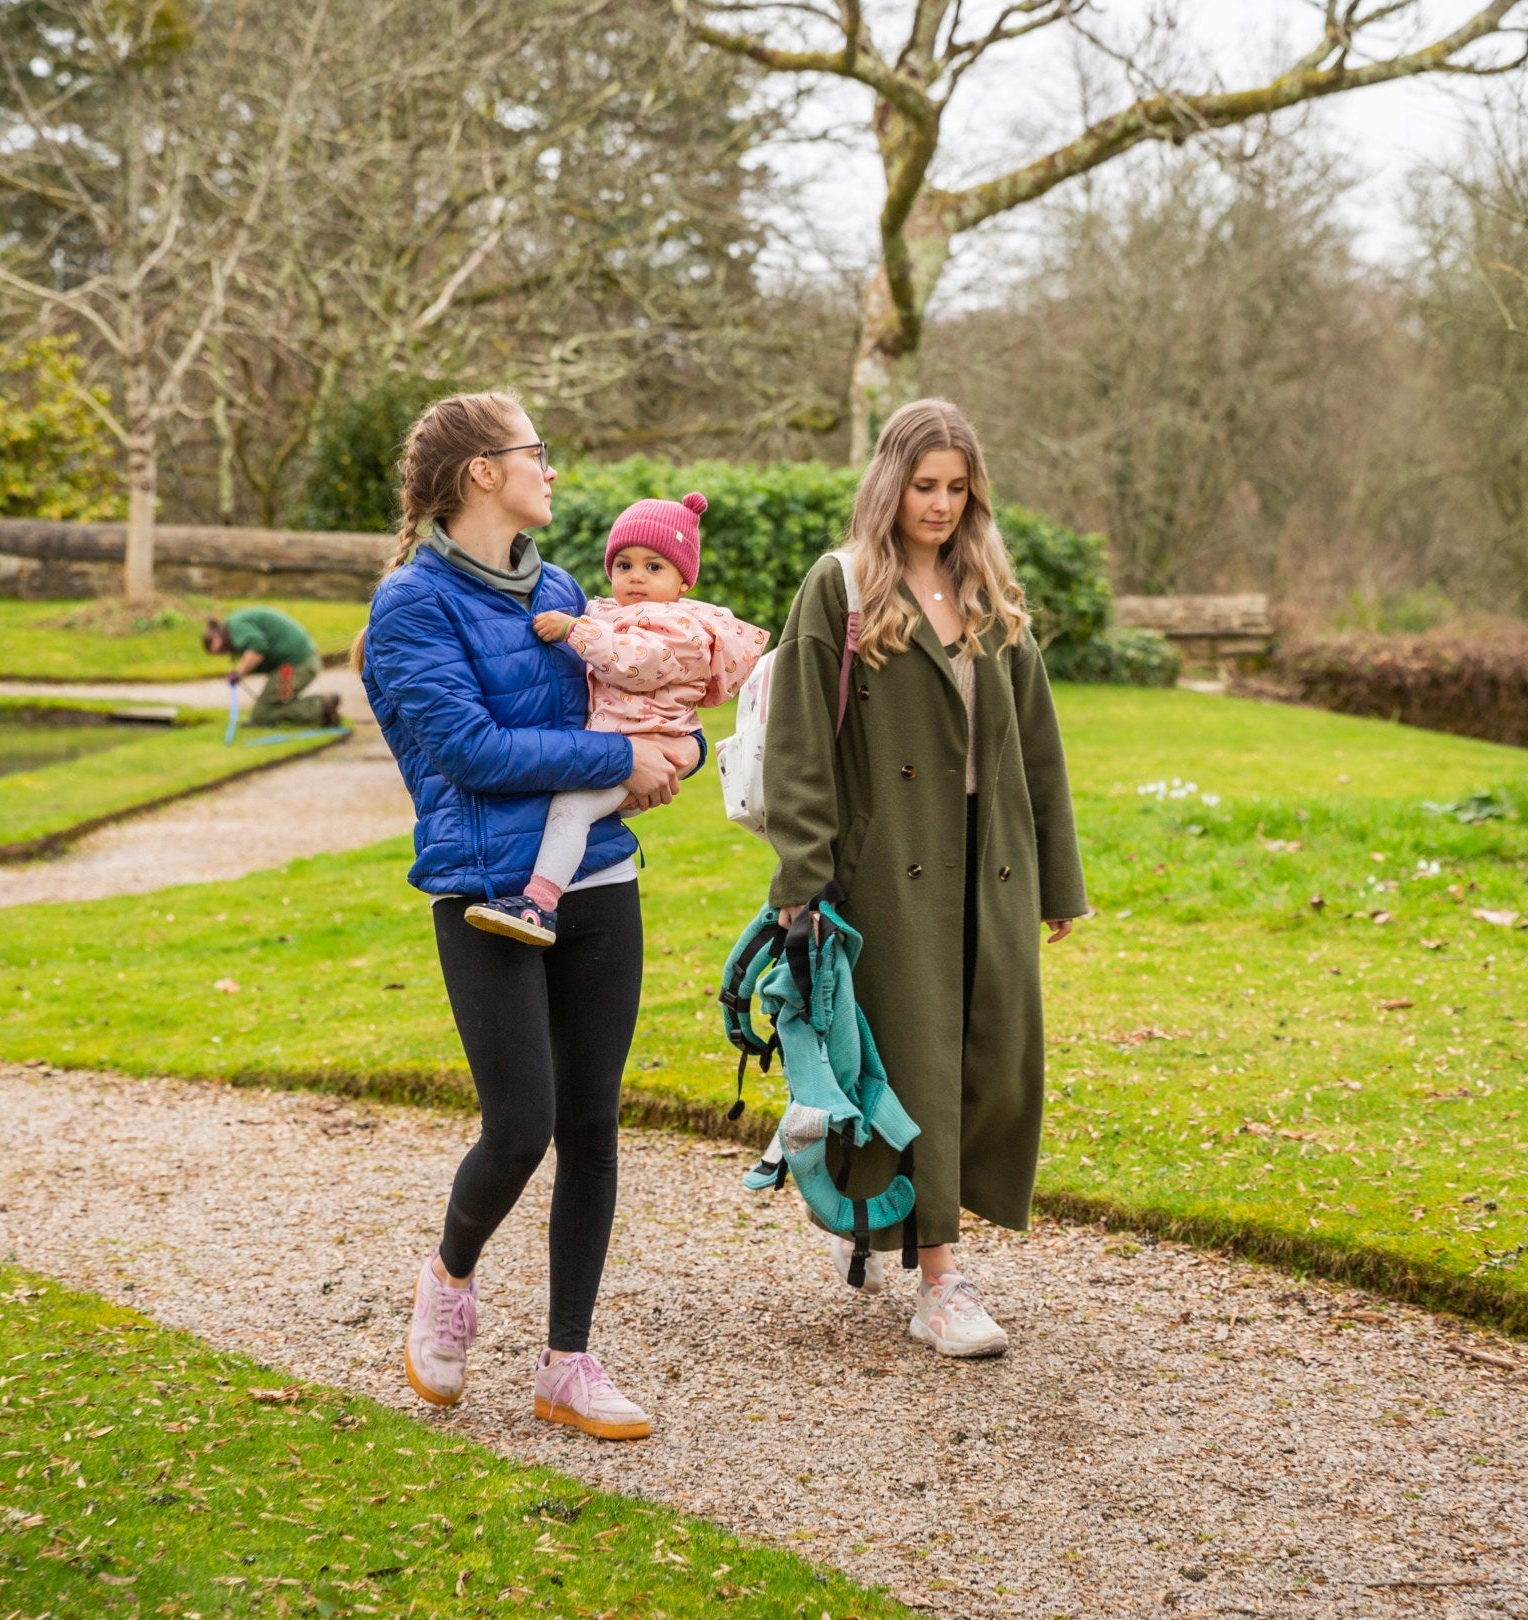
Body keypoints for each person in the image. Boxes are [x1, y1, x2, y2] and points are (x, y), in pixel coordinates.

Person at [355, 390, 684, 1441]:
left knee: (591, 1126)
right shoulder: (410, 606)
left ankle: (567, 1363)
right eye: (535, 451)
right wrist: (615, 759)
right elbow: (469, 752)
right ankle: (448, 1279)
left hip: (600, 881)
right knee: (520, 1125)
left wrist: (674, 746)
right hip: (485, 890)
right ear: (482, 472)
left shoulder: (559, 585)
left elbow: (615, 707)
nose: (552, 467)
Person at [759, 397, 1087, 1359]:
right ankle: (940, 1283)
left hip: (992, 857)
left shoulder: (991, 590)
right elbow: (798, 748)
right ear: (888, 482)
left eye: (956, 487)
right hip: (890, 866)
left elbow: (1037, 748)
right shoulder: (843, 587)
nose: (938, 505)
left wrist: (1056, 882)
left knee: (994, 1061)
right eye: (922, 485)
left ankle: (875, 1207)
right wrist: (803, 877)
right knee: (915, 1065)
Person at [463, 491, 768, 947]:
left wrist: (574, 631)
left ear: (683, 581)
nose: (636, 577)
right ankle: (540, 901)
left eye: (654, 567)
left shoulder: (682, 628)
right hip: (621, 747)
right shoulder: (612, 613)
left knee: (572, 808)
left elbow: (639, 664)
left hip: (648, 743)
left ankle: (538, 905)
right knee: (570, 808)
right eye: (624, 565)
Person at [204, 605, 336, 728]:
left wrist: (238, 674)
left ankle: (320, 707)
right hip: (300, 662)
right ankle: (323, 704)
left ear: (216, 637)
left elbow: (256, 650)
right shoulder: (236, 624)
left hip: (295, 666)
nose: (225, 652)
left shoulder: (236, 626)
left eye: (221, 650)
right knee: (279, 701)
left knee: (261, 715)